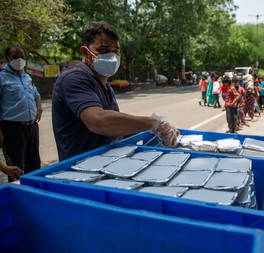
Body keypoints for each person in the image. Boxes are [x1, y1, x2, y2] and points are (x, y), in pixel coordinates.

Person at [51, 21, 179, 161]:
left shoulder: (105, 85)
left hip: (106, 162)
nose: (112, 57)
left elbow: (115, 128)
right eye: (104, 50)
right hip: (80, 169)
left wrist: (152, 130)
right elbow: (98, 121)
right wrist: (152, 123)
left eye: (116, 51)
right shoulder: (74, 79)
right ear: (85, 52)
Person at [0, 45, 42, 181]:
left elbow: (36, 94)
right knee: (16, 168)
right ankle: (18, 195)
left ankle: (34, 194)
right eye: (15, 57)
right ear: (7, 58)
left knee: (34, 164)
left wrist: (39, 108)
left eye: (22, 57)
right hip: (12, 129)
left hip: (32, 127)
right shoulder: (2, 78)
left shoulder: (27, 76)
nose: (19, 60)